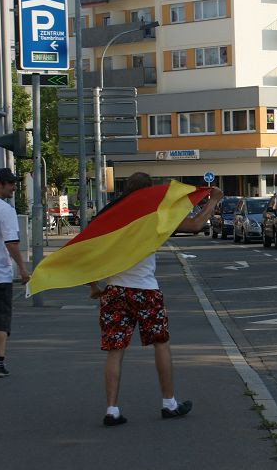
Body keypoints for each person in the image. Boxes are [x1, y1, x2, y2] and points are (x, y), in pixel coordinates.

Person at [88, 173, 222, 426]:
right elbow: (195, 225)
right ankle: (169, 403)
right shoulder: (155, 217)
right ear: (149, 191)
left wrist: (94, 285)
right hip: (146, 291)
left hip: (115, 290)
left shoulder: (111, 216)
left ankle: (112, 409)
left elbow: (86, 252)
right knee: (161, 343)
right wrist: (212, 200)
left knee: (115, 351)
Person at [0, 169, 31, 378]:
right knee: (0, 318)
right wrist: (23, 269)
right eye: (10, 184)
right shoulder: (5, 210)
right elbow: (11, 243)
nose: (13, 188)